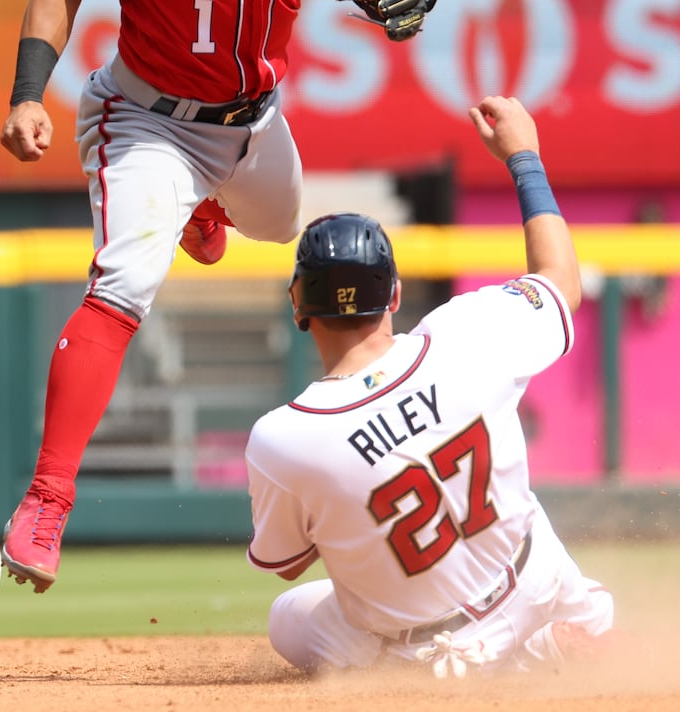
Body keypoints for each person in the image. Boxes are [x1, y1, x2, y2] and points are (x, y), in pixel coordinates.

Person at [0, 0, 435, 592]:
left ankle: (202, 209)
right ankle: (48, 500)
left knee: (278, 227)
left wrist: (397, 3)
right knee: (124, 281)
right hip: (147, 120)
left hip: (253, 121)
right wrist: (24, 94)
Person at [245, 95, 615, 677]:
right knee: (519, 534)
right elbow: (560, 282)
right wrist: (524, 158)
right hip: (536, 583)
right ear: (393, 294)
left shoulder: (283, 438)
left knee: (288, 614)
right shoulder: (469, 331)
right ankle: (560, 631)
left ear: (298, 307)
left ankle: (476, 664)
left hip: (425, 651)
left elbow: (286, 563)